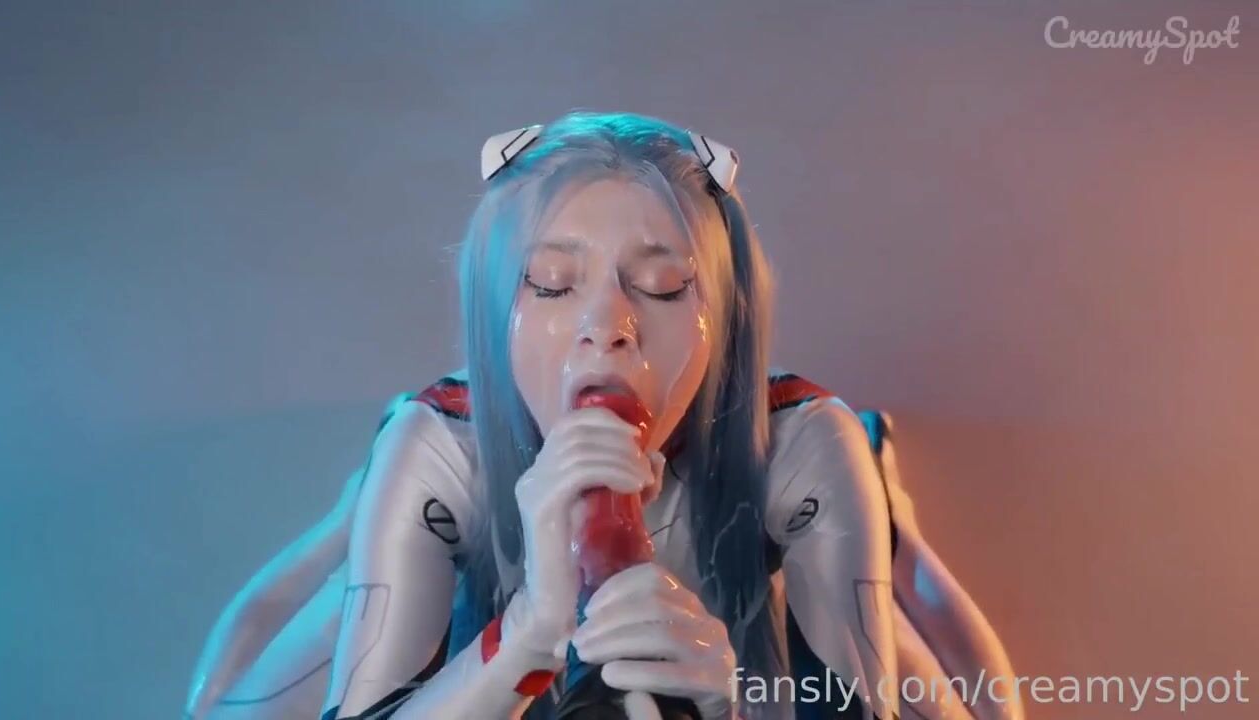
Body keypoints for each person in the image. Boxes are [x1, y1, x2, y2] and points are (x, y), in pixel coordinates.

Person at [185, 111, 1023, 720]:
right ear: (494, 311)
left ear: (727, 318)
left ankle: (894, 513)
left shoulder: (798, 443)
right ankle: (350, 515)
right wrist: (525, 634)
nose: (607, 326)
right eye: (551, 284)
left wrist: (730, 704)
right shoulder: (444, 447)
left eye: (662, 285)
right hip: (461, 497)